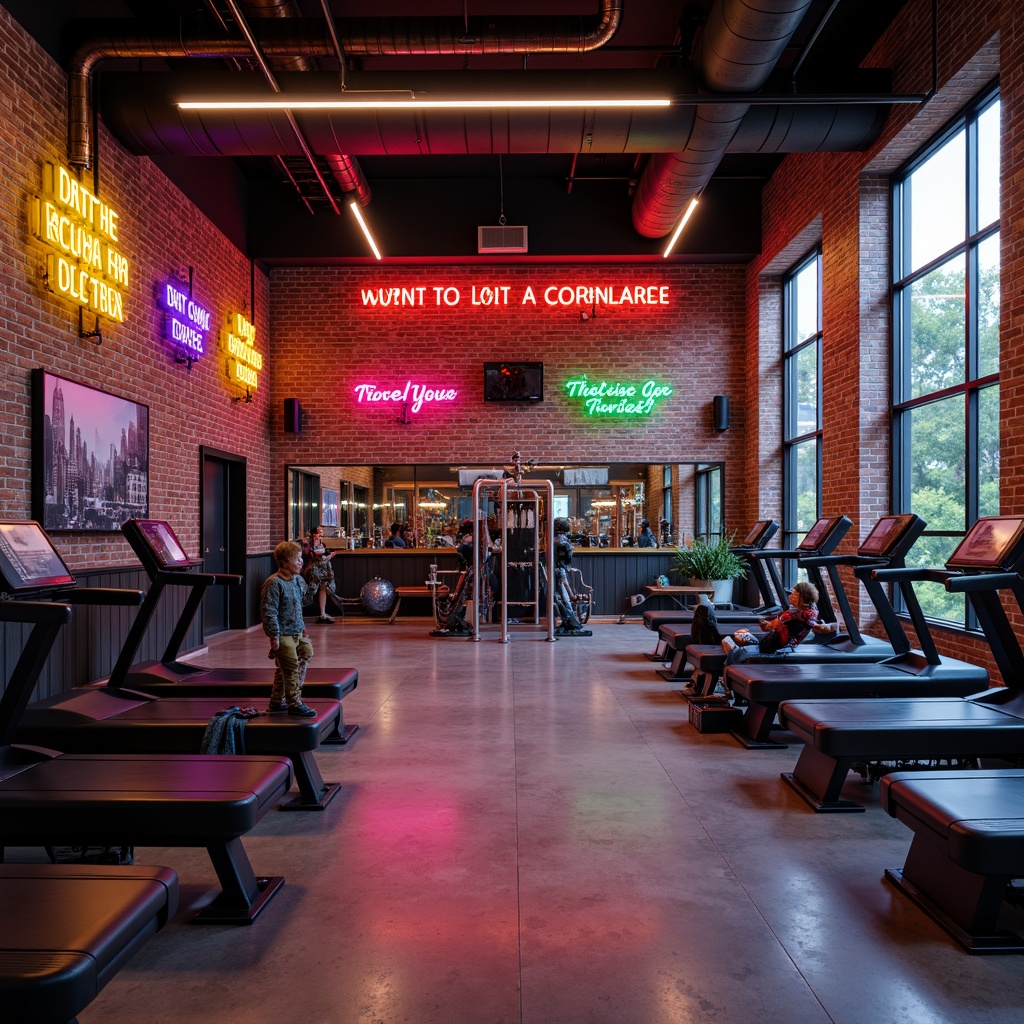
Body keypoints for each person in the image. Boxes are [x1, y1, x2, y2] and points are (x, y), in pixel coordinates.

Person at [260, 540, 316, 717]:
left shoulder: (298, 580)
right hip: (283, 633)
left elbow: (303, 602)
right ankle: (294, 702)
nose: (301, 562)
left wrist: (313, 586)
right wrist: (274, 635)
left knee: (306, 652)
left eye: (301, 558)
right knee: (290, 667)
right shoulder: (274, 583)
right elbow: (269, 611)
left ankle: (276, 701)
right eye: (297, 559)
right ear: (284, 562)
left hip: (298, 631)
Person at [302, 525, 337, 623]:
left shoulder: (323, 544)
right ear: (314, 534)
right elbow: (306, 554)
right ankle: (298, 612)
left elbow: (324, 555)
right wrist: (312, 554)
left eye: (321, 532)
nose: (321, 534)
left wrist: (328, 557)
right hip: (312, 570)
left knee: (323, 587)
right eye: (319, 532)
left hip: (323, 568)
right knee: (311, 589)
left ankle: (322, 612)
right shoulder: (309, 544)